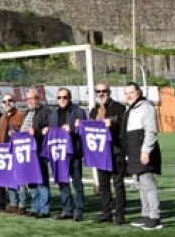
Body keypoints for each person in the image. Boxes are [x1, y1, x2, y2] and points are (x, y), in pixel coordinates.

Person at [122, 82, 162, 230]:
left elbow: (151, 131)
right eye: (126, 93)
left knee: (148, 185)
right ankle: (146, 215)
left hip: (143, 152)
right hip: (133, 152)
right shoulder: (131, 108)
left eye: (131, 93)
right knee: (140, 185)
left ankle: (155, 217)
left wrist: (146, 151)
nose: (128, 96)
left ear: (139, 92)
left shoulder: (146, 107)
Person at [89, 82, 127, 225]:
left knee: (118, 184)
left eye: (104, 91)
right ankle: (106, 212)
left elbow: (123, 124)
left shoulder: (118, 107)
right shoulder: (94, 111)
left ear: (109, 92)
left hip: (115, 151)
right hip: (100, 153)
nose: (101, 93)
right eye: (98, 91)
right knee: (103, 185)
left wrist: (112, 123)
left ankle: (120, 214)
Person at [50, 88, 88, 221]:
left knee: (77, 183)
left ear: (70, 98)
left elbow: (84, 129)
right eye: (59, 97)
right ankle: (67, 210)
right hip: (59, 154)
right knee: (62, 183)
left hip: (74, 152)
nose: (62, 100)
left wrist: (72, 128)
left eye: (64, 97)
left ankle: (79, 210)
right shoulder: (53, 114)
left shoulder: (78, 111)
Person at [16, 89, 51, 218]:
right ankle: (35, 208)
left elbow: (48, 129)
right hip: (27, 152)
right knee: (32, 181)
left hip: (39, 150)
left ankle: (44, 209)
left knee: (41, 180)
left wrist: (36, 132)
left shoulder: (45, 112)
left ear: (38, 98)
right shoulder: (27, 113)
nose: (29, 101)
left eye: (32, 98)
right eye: (27, 99)